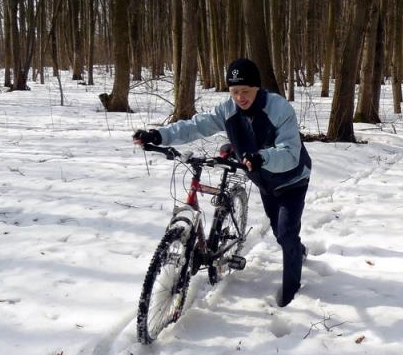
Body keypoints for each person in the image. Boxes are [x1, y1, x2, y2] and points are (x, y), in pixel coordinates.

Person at [133, 58, 312, 307]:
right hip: (264, 181)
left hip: (292, 179)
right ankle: (296, 248)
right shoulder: (228, 110)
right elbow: (196, 126)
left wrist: (262, 157)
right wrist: (159, 135)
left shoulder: (279, 109)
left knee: (286, 233)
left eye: (245, 91)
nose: (240, 97)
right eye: (234, 92)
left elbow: (291, 153)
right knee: (280, 231)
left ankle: (291, 298)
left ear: (257, 88)